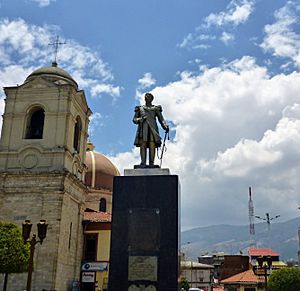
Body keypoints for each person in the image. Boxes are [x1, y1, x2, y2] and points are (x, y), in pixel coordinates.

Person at [133, 93, 169, 167]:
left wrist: (165, 126)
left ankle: (151, 163)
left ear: (152, 99)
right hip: (143, 129)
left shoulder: (155, 108)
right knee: (143, 144)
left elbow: (161, 119)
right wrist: (141, 119)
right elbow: (134, 120)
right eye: (146, 96)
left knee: (152, 144)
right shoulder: (140, 108)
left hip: (153, 128)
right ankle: (143, 163)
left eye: (148, 96)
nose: (147, 97)